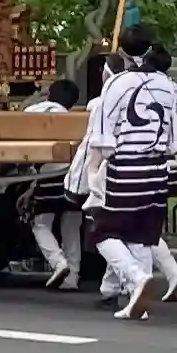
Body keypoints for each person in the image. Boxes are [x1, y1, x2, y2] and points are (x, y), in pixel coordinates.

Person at [86, 26, 177, 321]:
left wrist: (93, 171)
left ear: (122, 52)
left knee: (103, 232)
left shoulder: (117, 84)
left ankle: (137, 279)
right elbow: (173, 137)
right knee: (142, 236)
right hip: (158, 168)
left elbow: (102, 136)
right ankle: (137, 299)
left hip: (126, 167)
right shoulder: (166, 84)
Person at [65, 54, 125, 310]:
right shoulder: (150, 92)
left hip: (106, 173)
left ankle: (134, 280)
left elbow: (94, 146)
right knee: (130, 231)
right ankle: (114, 287)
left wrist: (81, 182)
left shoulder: (101, 104)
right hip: (140, 169)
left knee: (106, 231)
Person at [21, 79, 86, 291]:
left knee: (40, 223)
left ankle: (58, 262)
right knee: (71, 226)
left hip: (48, 174)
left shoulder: (32, 110)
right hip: (73, 176)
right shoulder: (73, 119)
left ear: (49, 94)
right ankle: (72, 277)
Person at [144, 44, 177, 300]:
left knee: (137, 223)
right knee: (149, 221)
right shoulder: (171, 87)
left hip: (140, 161)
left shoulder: (136, 84)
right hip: (167, 161)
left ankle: (167, 271)